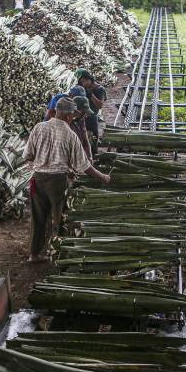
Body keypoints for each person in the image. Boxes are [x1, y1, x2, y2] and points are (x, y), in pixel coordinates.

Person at [24, 96, 110, 263]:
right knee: (59, 217)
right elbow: (84, 166)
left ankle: (34, 254)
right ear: (68, 115)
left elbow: (28, 155)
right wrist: (103, 177)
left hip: (38, 179)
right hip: (57, 182)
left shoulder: (39, 127)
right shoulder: (70, 135)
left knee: (38, 218)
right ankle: (56, 253)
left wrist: (43, 162)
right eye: (72, 115)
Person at [75, 69, 106, 152]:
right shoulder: (82, 88)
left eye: (85, 81)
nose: (83, 83)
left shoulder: (100, 89)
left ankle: (94, 154)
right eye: (81, 82)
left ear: (89, 78)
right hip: (80, 116)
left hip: (92, 117)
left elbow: (100, 105)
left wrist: (91, 95)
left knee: (93, 138)